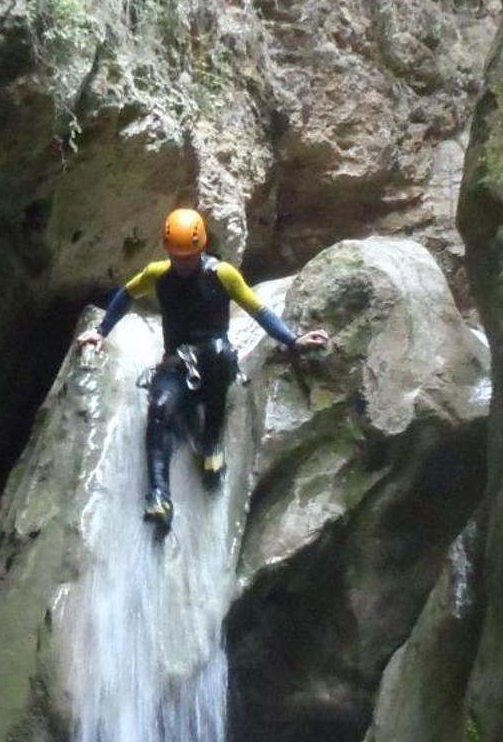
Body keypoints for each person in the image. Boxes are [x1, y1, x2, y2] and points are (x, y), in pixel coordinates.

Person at [79, 208, 328, 531]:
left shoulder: (222, 274)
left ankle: (212, 443)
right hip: (178, 365)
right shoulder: (158, 273)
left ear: (201, 249)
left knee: (219, 353)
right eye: (178, 256)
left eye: (189, 256)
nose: (183, 263)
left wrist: (292, 340)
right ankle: (159, 496)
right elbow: (127, 295)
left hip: (214, 363)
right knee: (159, 407)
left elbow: (258, 310)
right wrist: (101, 331)